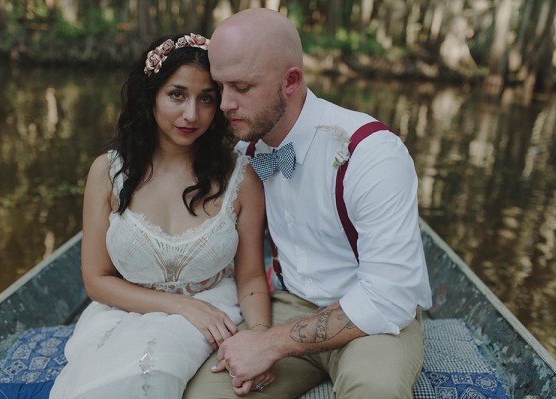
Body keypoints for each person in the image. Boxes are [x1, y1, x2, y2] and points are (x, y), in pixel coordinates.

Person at [184, 8, 433, 399]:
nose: (225, 105)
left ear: (291, 81)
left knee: (374, 392)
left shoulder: (370, 153)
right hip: (287, 302)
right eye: (220, 87)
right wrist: (261, 333)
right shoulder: (246, 151)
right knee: (204, 394)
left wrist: (269, 344)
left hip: (372, 316)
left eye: (242, 88)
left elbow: (391, 295)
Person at [50, 33, 273, 399]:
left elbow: (249, 275)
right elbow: (96, 280)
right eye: (177, 94)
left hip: (214, 313)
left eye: (207, 99)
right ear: (150, 94)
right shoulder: (107, 172)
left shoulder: (241, 177)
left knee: (155, 369)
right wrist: (183, 306)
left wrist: (262, 339)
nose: (192, 115)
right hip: (123, 312)